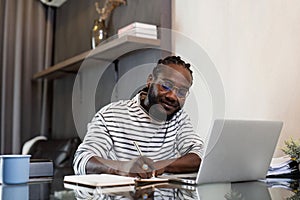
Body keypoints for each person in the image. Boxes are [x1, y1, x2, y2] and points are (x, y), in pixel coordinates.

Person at [73, 56, 204, 178]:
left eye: (181, 92)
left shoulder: (179, 119)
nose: (172, 96)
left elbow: (199, 156)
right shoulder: (111, 115)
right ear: (150, 81)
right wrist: (123, 167)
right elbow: (82, 160)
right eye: (166, 86)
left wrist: (159, 166)